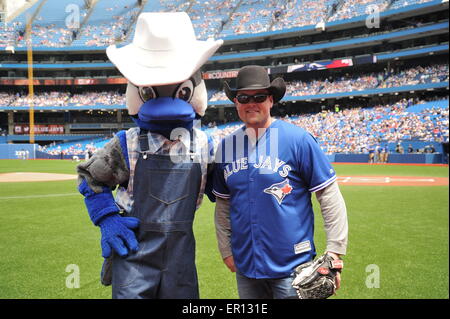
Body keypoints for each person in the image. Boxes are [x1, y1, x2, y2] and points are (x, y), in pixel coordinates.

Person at [77, 12, 222, 299]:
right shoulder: (126, 143)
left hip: (181, 255)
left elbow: (227, 188)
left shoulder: (204, 145)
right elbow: (90, 178)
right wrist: (108, 219)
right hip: (134, 251)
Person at [212, 65, 348, 299]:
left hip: (293, 269)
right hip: (247, 268)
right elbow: (223, 205)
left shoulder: (298, 140)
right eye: (244, 97)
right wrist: (226, 250)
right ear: (236, 102)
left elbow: (328, 195)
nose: (251, 103)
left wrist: (335, 252)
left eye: (259, 97)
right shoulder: (226, 147)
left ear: (271, 100)